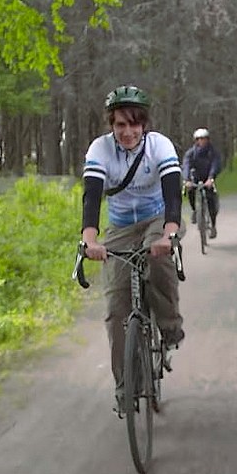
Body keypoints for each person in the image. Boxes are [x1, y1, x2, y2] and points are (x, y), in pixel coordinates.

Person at [80, 85, 185, 410]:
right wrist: (90, 240)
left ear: (144, 124)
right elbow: (92, 196)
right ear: (111, 125)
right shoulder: (100, 150)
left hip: (158, 218)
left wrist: (168, 235)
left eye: (134, 124)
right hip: (121, 226)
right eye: (120, 125)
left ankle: (169, 326)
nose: (128, 132)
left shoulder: (159, 146)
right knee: (116, 309)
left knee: (157, 260)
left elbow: (172, 195)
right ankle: (126, 386)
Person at [182, 128, 222, 239]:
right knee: (190, 191)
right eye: (199, 139)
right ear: (196, 141)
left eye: (204, 139)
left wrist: (211, 178)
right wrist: (186, 180)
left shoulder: (213, 152)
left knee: (211, 200)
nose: (201, 141)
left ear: (208, 140)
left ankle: (213, 225)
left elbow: (216, 164)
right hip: (195, 178)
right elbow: (186, 165)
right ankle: (195, 210)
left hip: (208, 178)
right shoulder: (191, 153)